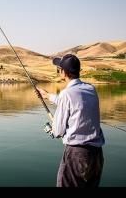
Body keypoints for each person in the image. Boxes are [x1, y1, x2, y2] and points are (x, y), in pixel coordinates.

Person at [38, 54, 105, 187]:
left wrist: (53, 129)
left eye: (59, 69)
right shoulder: (91, 89)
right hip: (96, 155)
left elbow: (58, 131)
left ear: (64, 72)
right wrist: (48, 96)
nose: (59, 72)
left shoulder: (66, 94)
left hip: (77, 156)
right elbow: (74, 101)